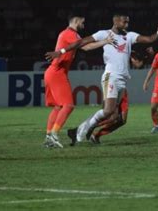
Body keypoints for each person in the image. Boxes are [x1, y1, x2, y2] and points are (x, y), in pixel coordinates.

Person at [45, 13, 158, 145]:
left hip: (122, 80)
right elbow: (81, 42)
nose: (127, 25)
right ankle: (81, 130)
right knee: (108, 110)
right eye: (124, 22)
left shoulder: (129, 36)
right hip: (111, 76)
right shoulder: (104, 34)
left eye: (128, 22)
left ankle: (79, 132)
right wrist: (60, 52)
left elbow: (149, 39)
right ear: (116, 22)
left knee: (114, 116)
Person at [42, 14, 114, 148]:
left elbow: (86, 46)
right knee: (68, 106)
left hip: (52, 72)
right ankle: (53, 134)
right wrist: (105, 41)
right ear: (76, 21)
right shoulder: (70, 33)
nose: (84, 25)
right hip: (57, 73)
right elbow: (85, 45)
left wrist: (104, 41)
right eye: (83, 22)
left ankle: (48, 137)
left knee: (59, 107)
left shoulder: (67, 34)